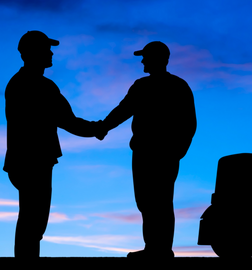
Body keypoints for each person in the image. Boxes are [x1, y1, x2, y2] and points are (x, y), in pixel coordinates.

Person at [3, 30, 102, 258]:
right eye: (46, 49)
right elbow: (69, 121)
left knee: (32, 217)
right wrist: (98, 128)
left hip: (25, 160)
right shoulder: (39, 86)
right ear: (33, 52)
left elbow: (67, 120)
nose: (50, 53)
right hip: (33, 160)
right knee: (33, 219)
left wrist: (95, 127)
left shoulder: (20, 83)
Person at [96, 41, 197, 259]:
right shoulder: (141, 86)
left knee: (159, 200)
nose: (142, 61)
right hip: (143, 153)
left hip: (163, 154)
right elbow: (123, 110)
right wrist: (103, 126)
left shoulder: (178, 86)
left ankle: (160, 250)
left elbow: (189, 123)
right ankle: (154, 247)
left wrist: (178, 150)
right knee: (146, 201)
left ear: (158, 59)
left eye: (146, 57)